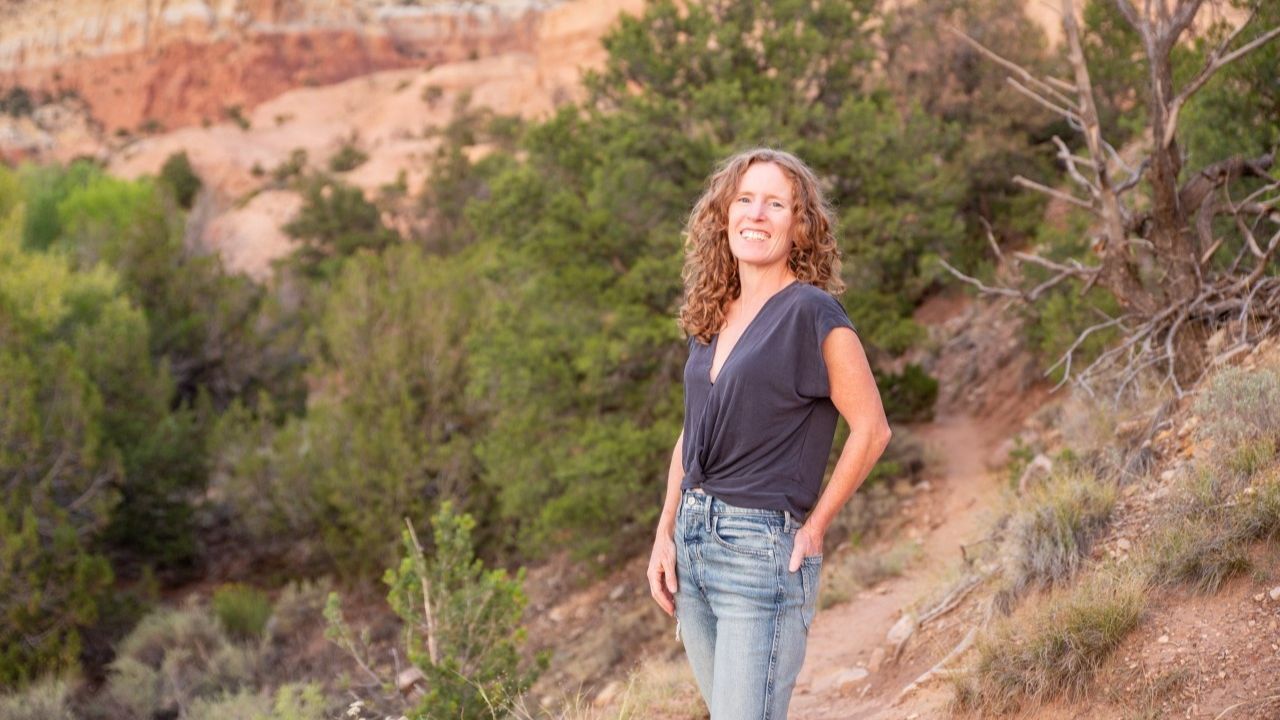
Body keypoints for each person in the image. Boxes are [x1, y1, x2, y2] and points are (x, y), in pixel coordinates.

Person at [646, 148, 892, 719]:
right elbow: (691, 432)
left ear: (799, 225)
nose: (756, 214)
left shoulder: (812, 313)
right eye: (745, 199)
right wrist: (664, 531)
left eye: (776, 204)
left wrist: (815, 528)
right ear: (724, 214)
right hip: (692, 545)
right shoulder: (714, 313)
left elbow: (872, 429)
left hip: (758, 552)